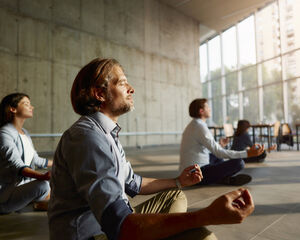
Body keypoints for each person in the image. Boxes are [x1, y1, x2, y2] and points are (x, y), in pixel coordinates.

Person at [48, 58, 255, 240]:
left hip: (112, 222)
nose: (131, 88)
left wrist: (178, 181)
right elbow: (120, 227)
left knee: (175, 195)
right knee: (202, 236)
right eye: (122, 83)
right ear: (100, 93)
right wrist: (207, 215)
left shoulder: (105, 132)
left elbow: (133, 183)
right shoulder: (88, 138)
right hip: (94, 234)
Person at [179, 98, 265, 186]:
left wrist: (220, 145)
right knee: (239, 163)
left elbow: (203, 149)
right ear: (201, 111)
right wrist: (247, 153)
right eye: (207, 107)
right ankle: (223, 179)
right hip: (196, 175)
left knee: (216, 157)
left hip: (190, 171)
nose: (210, 109)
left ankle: (222, 179)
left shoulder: (194, 125)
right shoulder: (200, 127)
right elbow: (219, 152)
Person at [0, 93, 52, 214]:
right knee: (43, 185)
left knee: (55, 184)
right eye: (26, 104)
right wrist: (42, 176)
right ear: (13, 109)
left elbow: (36, 160)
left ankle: (35, 202)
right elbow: (17, 165)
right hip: (7, 193)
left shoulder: (25, 133)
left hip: (23, 187)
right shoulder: (4, 133)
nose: (31, 107)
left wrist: (62, 162)